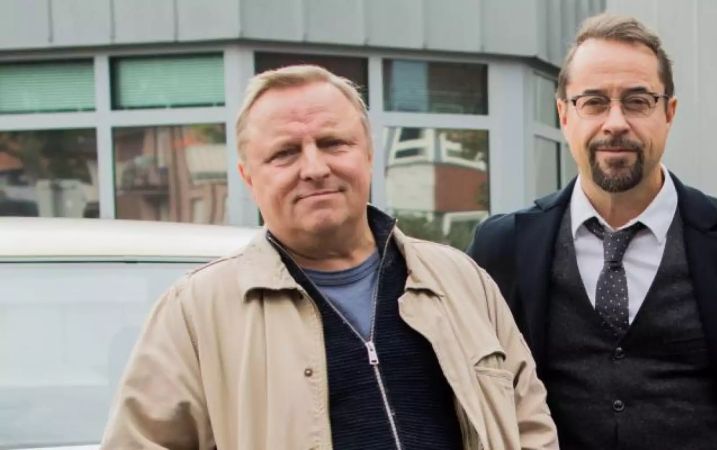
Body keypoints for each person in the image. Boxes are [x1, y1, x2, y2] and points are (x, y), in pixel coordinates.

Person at [101, 65, 558, 450]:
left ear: (367, 153)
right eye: (285, 153)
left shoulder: (461, 281)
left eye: (333, 143)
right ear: (247, 176)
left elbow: (529, 425)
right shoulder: (197, 314)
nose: (315, 168)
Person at [468, 13, 717, 450]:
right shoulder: (503, 248)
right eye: (594, 102)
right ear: (564, 114)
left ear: (669, 112)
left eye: (638, 101)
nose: (615, 122)